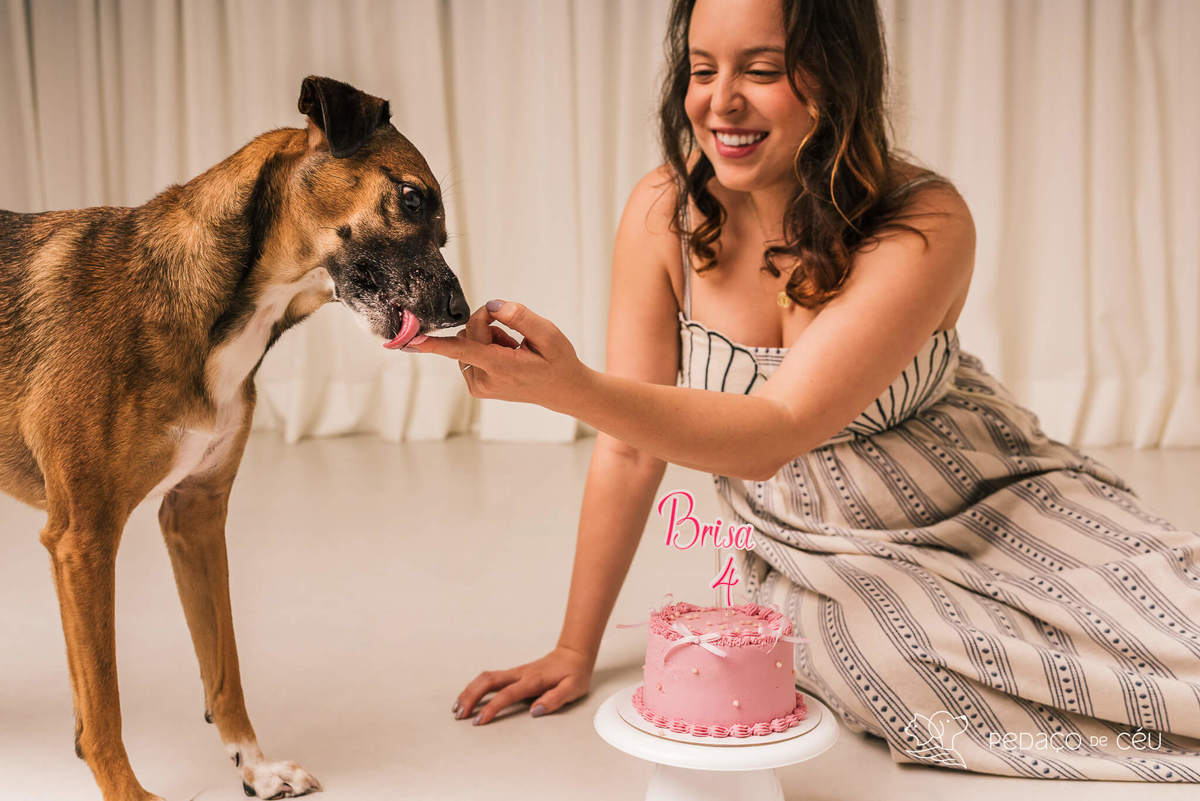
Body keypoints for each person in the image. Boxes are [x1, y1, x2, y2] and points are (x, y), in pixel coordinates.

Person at [406, 0, 1200, 780]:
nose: (721, 101)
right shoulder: (665, 214)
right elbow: (627, 447)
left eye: (762, 69)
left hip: (984, 498)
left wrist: (568, 387)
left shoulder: (926, 218)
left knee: (1162, 614)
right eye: (702, 69)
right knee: (890, 660)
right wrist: (574, 649)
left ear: (836, 79)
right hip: (814, 547)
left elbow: (779, 425)